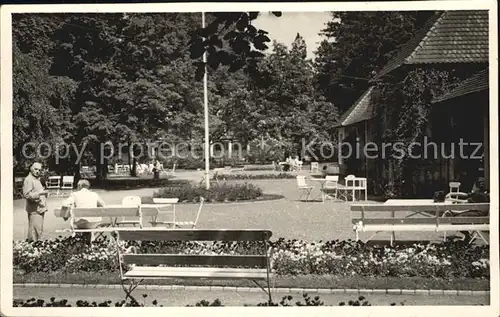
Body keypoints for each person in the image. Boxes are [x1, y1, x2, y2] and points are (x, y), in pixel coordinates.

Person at [62, 179, 106, 244]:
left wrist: (65, 217)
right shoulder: (94, 194)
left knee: (80, 221)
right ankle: (88, 242)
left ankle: (82, 242)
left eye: (77, 186)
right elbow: (104, 205)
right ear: (88, 186)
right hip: (94, 223)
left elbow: (65, 204)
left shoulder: (75, 194)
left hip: (80, 223)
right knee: (87, 221)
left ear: (79, 186)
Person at [22, 162, 49, 241]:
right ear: (31, 168)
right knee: (35, 232)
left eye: (39, 170)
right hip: (34, 210)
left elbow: (36, 191)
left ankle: (35, 248)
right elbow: (27, 195)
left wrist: (44, 194)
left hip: (40, 209)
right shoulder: (29, 179)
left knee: (38, 230)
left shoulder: (36, 179)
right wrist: (40, 193)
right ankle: (35, 249)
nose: (38, 171)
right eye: (36, 169)